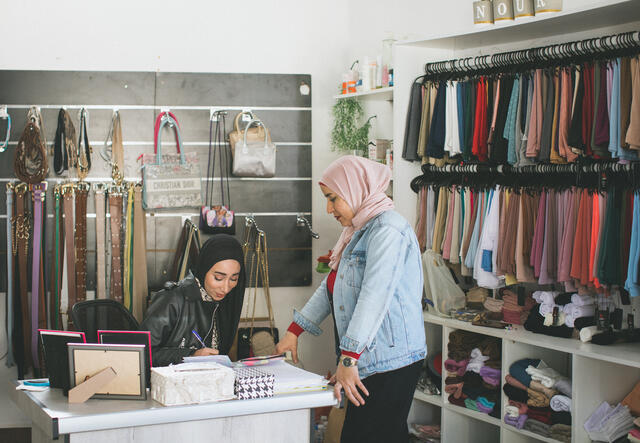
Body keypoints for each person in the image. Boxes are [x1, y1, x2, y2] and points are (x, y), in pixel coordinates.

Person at [276, 155, 426, 443]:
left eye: (333, 198)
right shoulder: (356, 231)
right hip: (365, 357)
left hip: (390, 361)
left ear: (356, 189)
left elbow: (374, 295)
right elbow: (332, 285)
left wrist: (348, 357)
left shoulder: (387, 230)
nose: (329, 208)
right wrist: (295, 331)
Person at [140, 234, 246, 367]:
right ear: (204, 270)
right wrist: (190, 355)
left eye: (233, 279)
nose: (225, 288)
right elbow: (141, 354)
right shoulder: (172, 300)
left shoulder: (226, 302)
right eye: (218, 278)